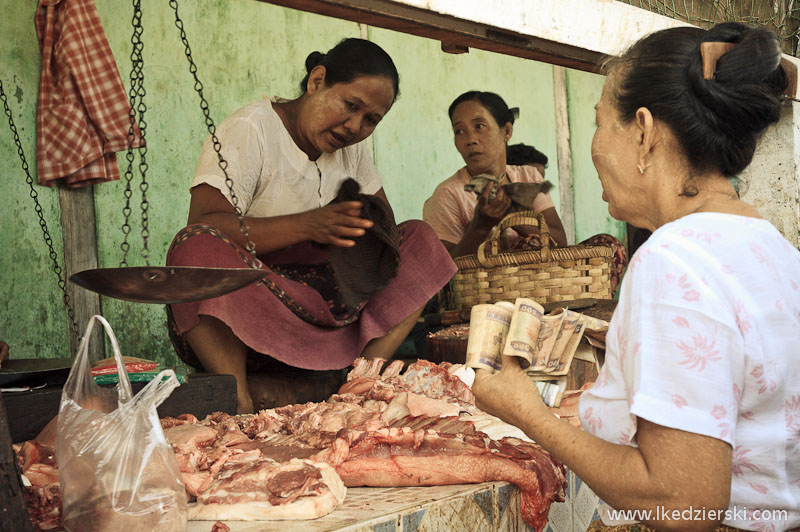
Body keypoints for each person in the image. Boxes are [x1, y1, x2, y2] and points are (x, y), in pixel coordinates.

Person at [473, 22, 800, 532]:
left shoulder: (675, 260)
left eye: (600, 122)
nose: (595, 145)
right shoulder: (774, 249)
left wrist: (528, 413)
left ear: (643, 131)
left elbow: (681, 502)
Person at [166, 38, 456, 414]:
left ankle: (362, 381)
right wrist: (307, 227)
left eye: (371, 120)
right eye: (351, 106)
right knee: (192, 247)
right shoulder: (250, 128)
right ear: (317, 81)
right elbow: (205, 224)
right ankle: (238, 396)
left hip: (335, 311)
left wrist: (362, 229)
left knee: (422, 241)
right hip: (259, 310)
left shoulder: (353, 151)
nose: (355, 126)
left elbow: (385, 236)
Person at [423, 91, 568, 259]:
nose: (470, 139)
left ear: (506, 131)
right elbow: (447, 273)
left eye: (479, 126)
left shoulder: (529, 177)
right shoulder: (448, 195)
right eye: (459, 131)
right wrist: (480, 226)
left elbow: (560, 241)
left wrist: (513, 218)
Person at [505, 141, 629, 296]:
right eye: (534, 181)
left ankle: (596, 300)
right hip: (520, 281)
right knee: (533, 243)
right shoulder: (493, 204)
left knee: (611, 247)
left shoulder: (540, 205)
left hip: (556, 271)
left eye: (540, 180)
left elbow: (560, 241)